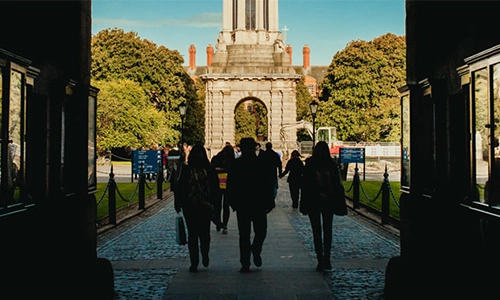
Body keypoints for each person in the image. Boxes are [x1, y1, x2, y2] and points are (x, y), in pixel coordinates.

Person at [226, 137, 275, 273]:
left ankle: (246, 260)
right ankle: (252, 253)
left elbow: (231, 186)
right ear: (255, 147)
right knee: (260, 232)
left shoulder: (237, 164)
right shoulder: (261, 163)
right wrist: (270, 201)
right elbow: (268, 184)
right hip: (256, 204)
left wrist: (233, 202)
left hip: (245, 204)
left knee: (245, 234)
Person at [174, 143, 221, 272]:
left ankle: (204, 254)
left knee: (204, 234)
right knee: (193, 235)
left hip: (203, 206)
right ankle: (194, 262)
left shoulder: (207, 169)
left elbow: (215, 189)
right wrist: (178, 202)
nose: (198, 156)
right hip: (191, 206)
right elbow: (180, 188)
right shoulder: (187, 169)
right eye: (196, 153)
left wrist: (216, 205)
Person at [300, 141, 344, 272]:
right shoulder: (331, 164)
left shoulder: (310, 164)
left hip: (314, 201)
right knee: (327, 230)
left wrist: (303, 203)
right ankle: (327, 259)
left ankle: (320, 259)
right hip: (328, 201)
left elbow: (305, 185)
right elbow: (337, 185)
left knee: (317, 231)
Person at [210, 144, 235, 234]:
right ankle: (225, 225)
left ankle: (218, 223)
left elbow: (211, 169)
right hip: (228, 185)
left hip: (217, 184)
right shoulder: (233, 161)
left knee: (217, 205)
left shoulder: (216, 158)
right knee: (226, 206)